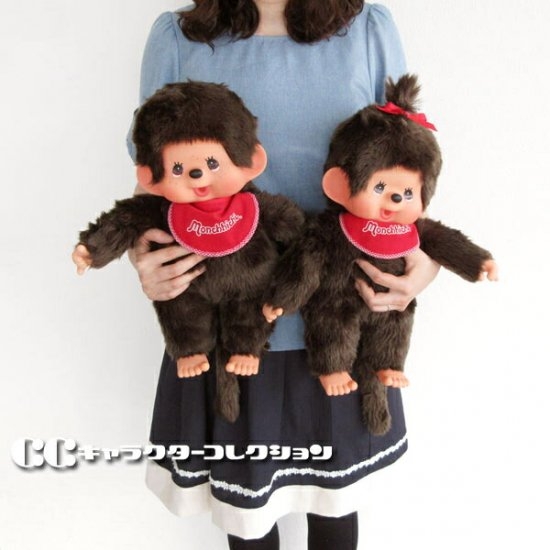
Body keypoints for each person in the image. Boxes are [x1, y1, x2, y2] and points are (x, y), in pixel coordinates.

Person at [127, 1, 440, 548]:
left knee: (335, 510)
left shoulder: (367, 29)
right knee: (247, 517)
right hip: (229, 322)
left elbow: (405, 162)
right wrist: (143, 258)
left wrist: (425, 261)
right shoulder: (177, 37)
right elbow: (153, 182)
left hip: (340, 318)